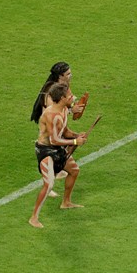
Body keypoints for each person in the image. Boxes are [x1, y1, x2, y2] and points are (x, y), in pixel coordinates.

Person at [30, 83, 87, 228]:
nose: (72, 97)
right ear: (62, 98)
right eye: (69, 95)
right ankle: (34, 218)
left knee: (74, 171)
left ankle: (66, 202)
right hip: (46, 151)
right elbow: (54, 140)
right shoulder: (51, 115)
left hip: (57, 148)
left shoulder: (64, 110)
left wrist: (77, 135)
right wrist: (75, 141)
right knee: (49, 184)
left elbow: (65, 131)